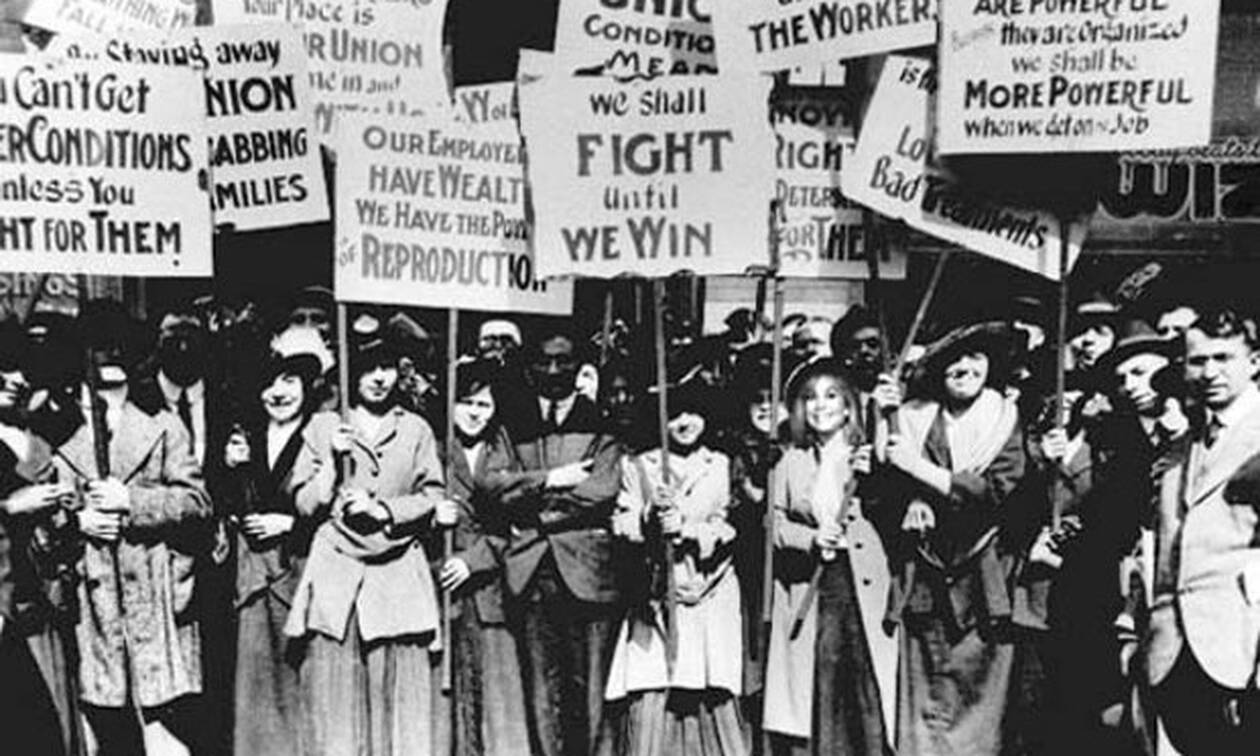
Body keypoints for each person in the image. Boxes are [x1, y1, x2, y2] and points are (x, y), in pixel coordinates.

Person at [54, 302, 212, 756]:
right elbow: (42, 518)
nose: (109, 356)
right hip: (90, 607)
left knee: (162, 730)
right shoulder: (59, 431)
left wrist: (131, 502)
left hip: (154, 603)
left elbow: (197, 503)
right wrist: (78, 520)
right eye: (98, 346)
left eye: (117, 345)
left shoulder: (162, 425)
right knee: (96, 729)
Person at [283, 320, 447, 756]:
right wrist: (331, 463)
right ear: (351, 371)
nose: (379, 378)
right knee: (336, 702)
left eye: (387, 367)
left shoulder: (415, 428)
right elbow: (303, 503)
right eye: (368, 367)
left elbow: (433, 495)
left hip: (397, 574)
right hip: (336, 576)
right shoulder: (323, 426)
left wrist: (384, 510)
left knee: (398, 702)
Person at [877, 321, 1026, 756]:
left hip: (982, 578)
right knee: (925, 694)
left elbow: (998, 489)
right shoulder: (913, 417)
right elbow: (883, 484)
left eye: (974, 356)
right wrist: (882, 419)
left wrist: (920, 471)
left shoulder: (1004, 419)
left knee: (977, 698)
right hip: (925, 578)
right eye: (951, 359)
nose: (964, 367)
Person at [491, 325, 623, 756]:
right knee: (540, 685)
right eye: (543, 361)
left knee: (591, 687)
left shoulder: (602, 421)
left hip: (588, 572)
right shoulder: (513, 422)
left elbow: (601, 490)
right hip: (533, 571)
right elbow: (496, 486)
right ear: (529, 368)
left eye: (562, 361)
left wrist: (536, 510)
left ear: (578, 366)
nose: (552, 370)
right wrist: (551, 479)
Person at [598, 369, 745, 756]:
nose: (684, 422)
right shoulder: (638, 466)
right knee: (653, 688)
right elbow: (621, 523)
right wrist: (649, 516)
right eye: (674, 414)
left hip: (710, 591)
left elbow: (731, 526)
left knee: (712, 689)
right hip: (658, 595)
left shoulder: (721, 464)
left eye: (693, 412)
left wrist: (688, 529)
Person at [762, 358, 894, 756]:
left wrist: (876, 478)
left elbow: (894, 510)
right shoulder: (790, 459)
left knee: (865, 679)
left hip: (862, 582)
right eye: (811, 398)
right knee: (820, 679)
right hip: (813, 582)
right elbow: (773, 523)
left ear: (849, 406)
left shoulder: (867, 454)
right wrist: (811, 538)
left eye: (832, 395)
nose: (821, 406)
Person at [1143, 308, 1260, 755]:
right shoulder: (1182, 447)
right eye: (1198, 361)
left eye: (1223, 358)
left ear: (1254, 362)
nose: (1209, 372)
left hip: (1243, 650)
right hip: (1175, 652)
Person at [217, 327, 332, 756]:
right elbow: (223, 507)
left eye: (289, 381)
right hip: (254, 582)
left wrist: (291, 525)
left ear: (307, 386)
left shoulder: (321, 435)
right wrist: (232, 470)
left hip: (302, 574)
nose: (279, 392)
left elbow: (339, 506)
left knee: (302, 686)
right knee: (256, 690)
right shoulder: (246, 437)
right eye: (269, 382)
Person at [438, 358, 530, 756]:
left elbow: (519, 524)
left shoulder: (508, 453)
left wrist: (472, 560)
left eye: (483, 405)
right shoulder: (436, 450)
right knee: (451, 698)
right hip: (444, 588)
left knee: (497, 698)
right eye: (466, 402)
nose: (474, 413)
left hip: (493, 590)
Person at [0, 320, 78, 756]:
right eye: (2, 369)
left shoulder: (40, 441)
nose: (15, 379)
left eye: (20, 368)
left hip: (41, 606)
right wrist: (10, 507)